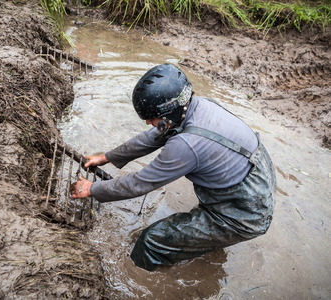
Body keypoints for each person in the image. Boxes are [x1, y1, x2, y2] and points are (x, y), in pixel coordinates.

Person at [71, 63, 276, 271]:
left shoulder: (186, 145)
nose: (148, 123)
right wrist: (107, 157)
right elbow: (152, 137)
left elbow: (139, 183)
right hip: (257, 178)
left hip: (245, 214)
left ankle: (141, 276)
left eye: (151, 119)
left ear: (169, 113)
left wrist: (92, 189)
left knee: (151, 241)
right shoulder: (197, 106)